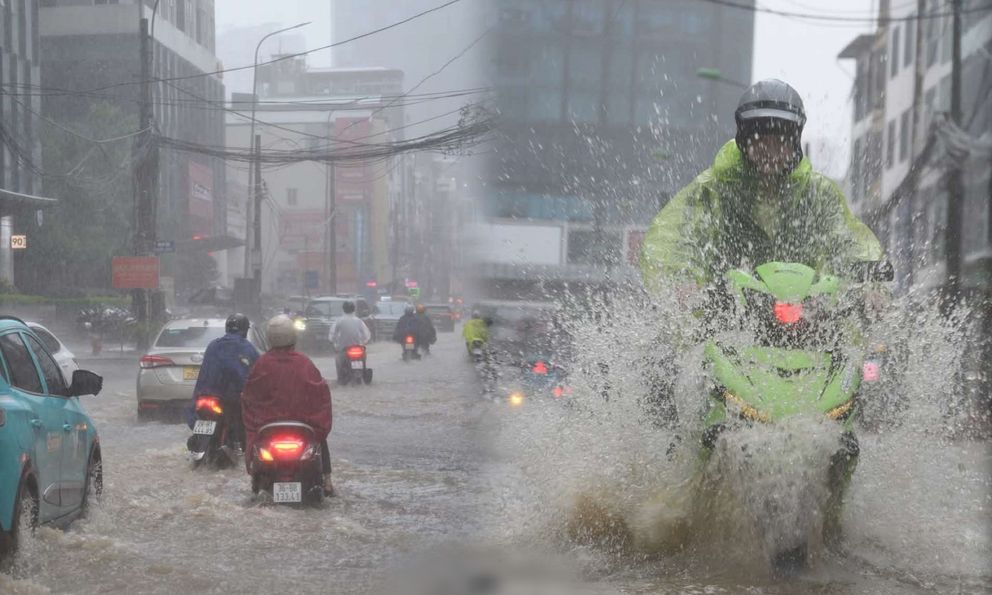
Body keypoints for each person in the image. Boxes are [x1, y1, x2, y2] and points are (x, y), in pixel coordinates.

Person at [640, 79, 883, 293]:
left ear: (795, 143)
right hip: (725, 316)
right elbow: (678, 240)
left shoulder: (819, 194)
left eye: (780, 141)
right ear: (743, 142)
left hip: (807, 316)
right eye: (760, 141)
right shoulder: (713, 189)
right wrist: (685, 281)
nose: (770, 151)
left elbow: (846, 240)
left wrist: (870, 283)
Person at [241, 314, 335, 496]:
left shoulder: (262, 365)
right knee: (320, 441)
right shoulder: (304, 364)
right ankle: (327, 480)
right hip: (302, 430)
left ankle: (257, 479)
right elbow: (321, 396)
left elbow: (250, 397)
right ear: (292, 336)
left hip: (268, 431)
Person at [185, 313, 260, 447]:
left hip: (205, 396)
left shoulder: (213, 345)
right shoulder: (248, 348)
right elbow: (256, 375)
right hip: (231, 399)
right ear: (245, 329)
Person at [331, 300, 371, 383]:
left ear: (343, 309)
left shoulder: (339, 321)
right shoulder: (359, 321)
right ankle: (364, 374)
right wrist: (363, 343)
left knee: (339, 363)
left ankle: (341, 378)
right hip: (359, 349)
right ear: (353, 309)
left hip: (344, 350)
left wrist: (335, 344)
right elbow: (367, 335)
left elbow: (332, 335)